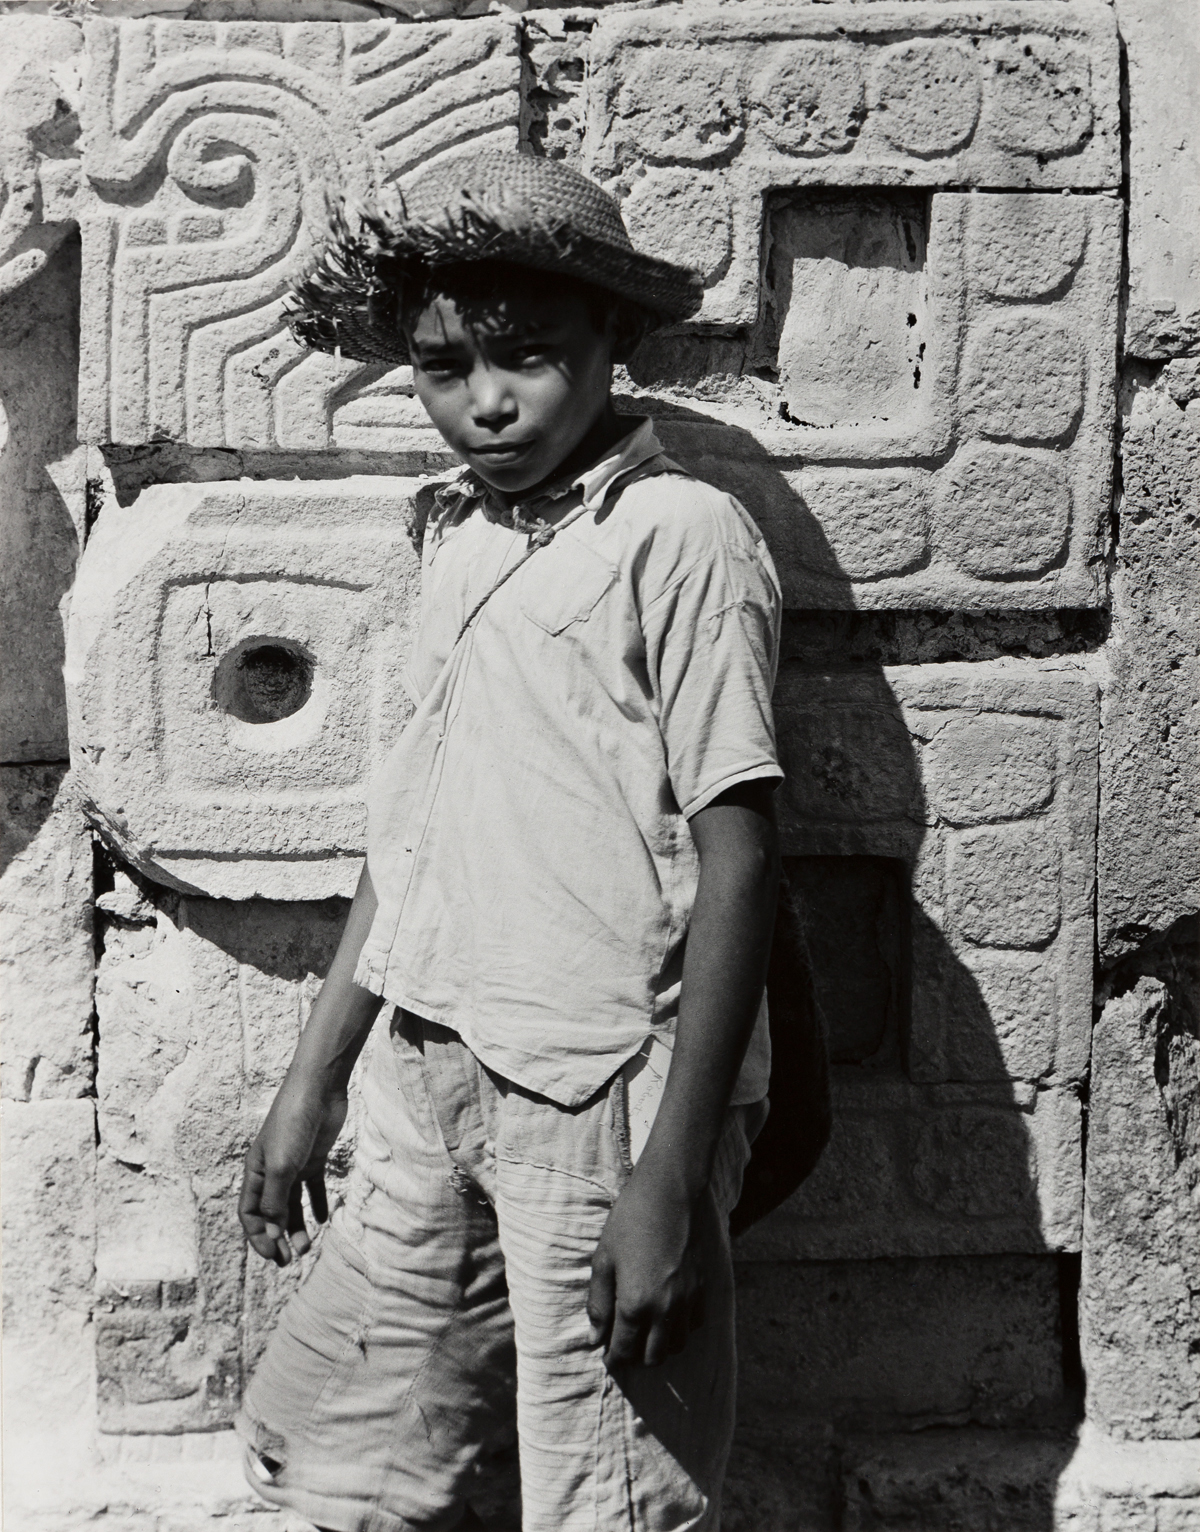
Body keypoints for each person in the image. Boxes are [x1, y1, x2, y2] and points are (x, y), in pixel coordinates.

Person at [235, 151, 785, 1532]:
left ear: (615, 340)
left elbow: (741, 854)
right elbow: (409, 827)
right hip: (431, 1069)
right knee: (350, 1454)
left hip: (602, 1092)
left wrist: (668, 1173)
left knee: (609, 1495)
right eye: (442, 367)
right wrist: (319, 1073)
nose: (484, 401)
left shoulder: (683, 535)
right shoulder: (456, 538)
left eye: (528, 356)